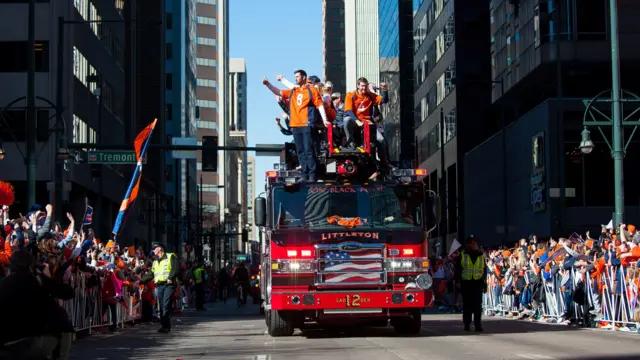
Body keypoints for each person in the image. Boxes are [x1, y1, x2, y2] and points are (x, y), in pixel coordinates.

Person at [263, 70, 330, 182]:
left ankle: (312, 175)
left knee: (309, 149)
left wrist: (325, 120)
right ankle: (304, 174)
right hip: (295, 125)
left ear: (304, 77)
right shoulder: (293, 91)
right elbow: (279, 92)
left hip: (307, 124)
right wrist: (268, 85)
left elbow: (319, 105)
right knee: (300, 151)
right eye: (295, 77)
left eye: (298, 76)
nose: (296, 78)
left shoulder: (311, 90)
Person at [139, 242, 178, 333]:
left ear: (160, 248)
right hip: (160, 286)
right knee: (161, 306)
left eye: (154, 248)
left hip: (169, 285)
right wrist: (140, 281)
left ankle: (166, 326)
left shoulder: (171, 256)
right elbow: (151, 274)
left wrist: (170, 277)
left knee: (165, 304)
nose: (153, 250)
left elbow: (175, 269)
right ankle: (164, 326)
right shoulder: (155, 261)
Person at [454, 235, 487, 332]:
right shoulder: (462, 255)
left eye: (474, 243)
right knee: (467, 305)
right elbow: (458, 270)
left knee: (478, 306)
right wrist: (457, 282)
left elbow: (484, 270)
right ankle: (467, 324)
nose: (473, 244)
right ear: (467, 244)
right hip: (466, 283)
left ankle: (478, 325)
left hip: (478, 283)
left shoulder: (481, 255)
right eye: (470, 243)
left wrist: (484, 283)